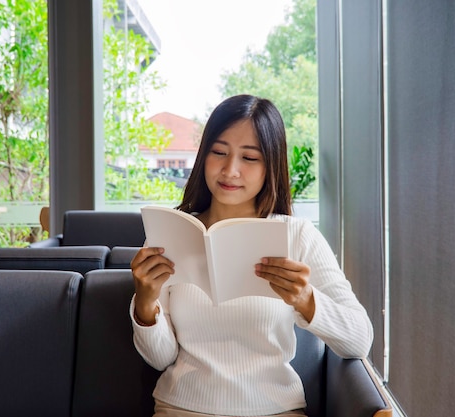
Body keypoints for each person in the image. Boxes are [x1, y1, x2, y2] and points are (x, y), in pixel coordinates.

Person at [130, 94, 373, 417]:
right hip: (181, 407)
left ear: (271, 165)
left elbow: (359, 340)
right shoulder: (171, 232)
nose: (230, 170)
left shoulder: (297, 236)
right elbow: (161, 358)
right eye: (219, 153)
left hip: (275, 410)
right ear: (204, 156)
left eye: (250, 158)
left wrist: (306, 299)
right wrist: (145, 304)